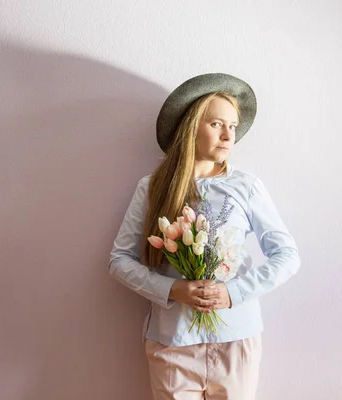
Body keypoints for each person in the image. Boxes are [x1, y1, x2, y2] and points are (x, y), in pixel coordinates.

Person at [109, 73, 301, 399]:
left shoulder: (246, 187)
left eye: (233, 127)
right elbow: (119, 261)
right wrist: (173, 289)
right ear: (190, 127)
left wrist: (233, 293)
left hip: (236, 342)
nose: (229, 135)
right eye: (216, 124)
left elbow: (287, 256)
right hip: (173, 343)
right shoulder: (152, 188)